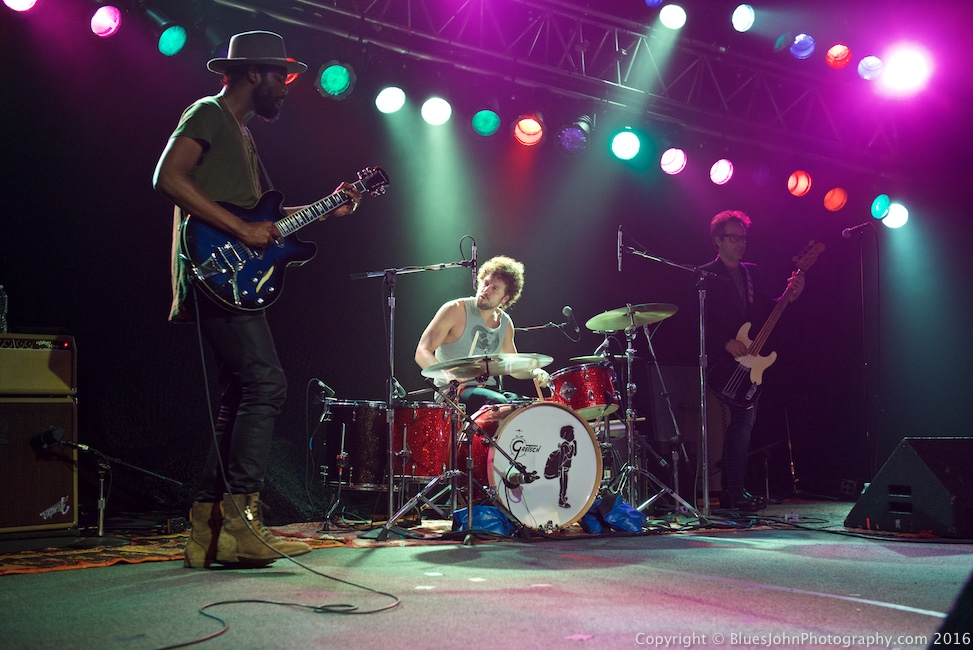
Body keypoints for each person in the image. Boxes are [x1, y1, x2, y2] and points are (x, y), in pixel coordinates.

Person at [153, 31, 362, 568]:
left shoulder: (241, 136)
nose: (287, 88)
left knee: (239, 396)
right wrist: (239, 232)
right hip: (214, 269)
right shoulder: (208, 112)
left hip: (231, 273)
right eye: (281, 77)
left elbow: (257, 217)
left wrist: (328, 207)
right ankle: (242, 524)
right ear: (252, 74)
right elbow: (167, 178)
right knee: (267, 383)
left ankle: (209, 528)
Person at [699, 210, 804, 511]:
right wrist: (723, 342)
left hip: (751, 359)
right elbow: (698, 319)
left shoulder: (751, 272)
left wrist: (790, 296)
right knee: (739, 422)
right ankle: (731, 490)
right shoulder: (706, 273)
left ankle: (734, 490)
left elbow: (765, 310)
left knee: (745, 422)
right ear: (718, 240)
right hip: (722, 361)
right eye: (733, 237)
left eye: (743, 238)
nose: (740, 243)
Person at [415, 255, 549, 414]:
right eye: (486, 283)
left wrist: (535, 371)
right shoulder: (455, 309)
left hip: (489, 390)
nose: (486, 290)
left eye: (495, 289)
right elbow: (422, 352)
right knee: (498, 403)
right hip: (454, 394)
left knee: (528, 407)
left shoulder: (505, 324)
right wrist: (449, 376)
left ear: (505, 298)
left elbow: (513, 367)